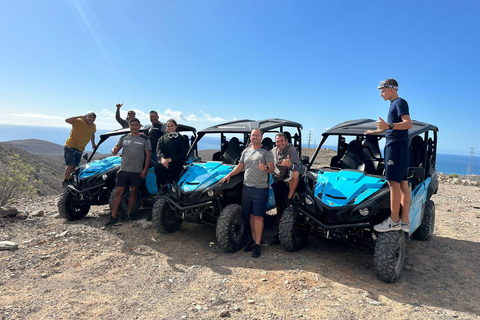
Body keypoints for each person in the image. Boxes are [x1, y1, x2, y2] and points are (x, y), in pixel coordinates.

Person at [365, 78, 412, 232]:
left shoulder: (399, 102)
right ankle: (405, 220)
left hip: (395, 147)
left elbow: (407, 124)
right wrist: (376, 132)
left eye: (383, 90)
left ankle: (394, 220)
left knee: (393, 184)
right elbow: (392, 128)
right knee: (403, 183)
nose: (381, 94)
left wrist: (389, 125)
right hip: (401, 148)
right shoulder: (395, 104)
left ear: (392, 89)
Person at [220, 128, 274, 258]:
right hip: (247, 187)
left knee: (258, 217)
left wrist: (265, 168)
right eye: (253, 135)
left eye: (257, 135)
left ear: (261, 137)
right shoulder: (246, 151)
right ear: (250, 137)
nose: (255, 137)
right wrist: (229, 175)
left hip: (260, 188)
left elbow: (272, 168)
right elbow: (240, 166)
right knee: (250, 215)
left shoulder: (266, 152)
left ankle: (258, 244)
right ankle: (252, 240)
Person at [104, 118, 151, 228]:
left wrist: (145, 169)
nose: (134, 127)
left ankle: (129, 214)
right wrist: (113, 150)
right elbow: (116, 148)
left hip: (137, 171)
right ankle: (113, 217)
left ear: (139, 126)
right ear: (129, 127)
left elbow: (148, 155)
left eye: (136, 125)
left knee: (133, 192)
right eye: (132, 125)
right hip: (124, 170)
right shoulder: (124, 138)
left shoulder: (144, 139)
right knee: (117, 193)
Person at [269, 132, 300, 245]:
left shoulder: (291, 151)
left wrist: (289, 165)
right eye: (278, 141)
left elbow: (297, 167)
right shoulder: (273, 151)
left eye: (282, 141)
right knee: (279, 209)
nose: (280, 143)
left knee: (287, 208)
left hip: (289, 181)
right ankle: (280, 234)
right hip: (278, 181)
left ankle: (290, 197)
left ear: (286, 141)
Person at [155, 119, 188, 195]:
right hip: (164, 163)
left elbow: (183, 154)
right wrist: (162, 159)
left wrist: (169, 160)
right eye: (168, 126)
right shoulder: (162, 139)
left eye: (172, 126)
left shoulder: (181, 139)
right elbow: (158, 150)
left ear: (176, 126)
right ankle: (164, 187)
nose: (170, 127)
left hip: (176, 164)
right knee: (157, 167)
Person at [63, 112, 97, 187]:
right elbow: (67, 120)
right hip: (71, 146)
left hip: (80, 148)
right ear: (86, 117)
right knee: (71, 165)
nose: (91, 119)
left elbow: (92, 134)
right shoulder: (79, 121)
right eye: (90, 117)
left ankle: (70, 180)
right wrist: (79, 116)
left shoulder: (93, 126)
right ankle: (65, 181)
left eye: (93, 118)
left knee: (74, 165)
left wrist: (93, 144)